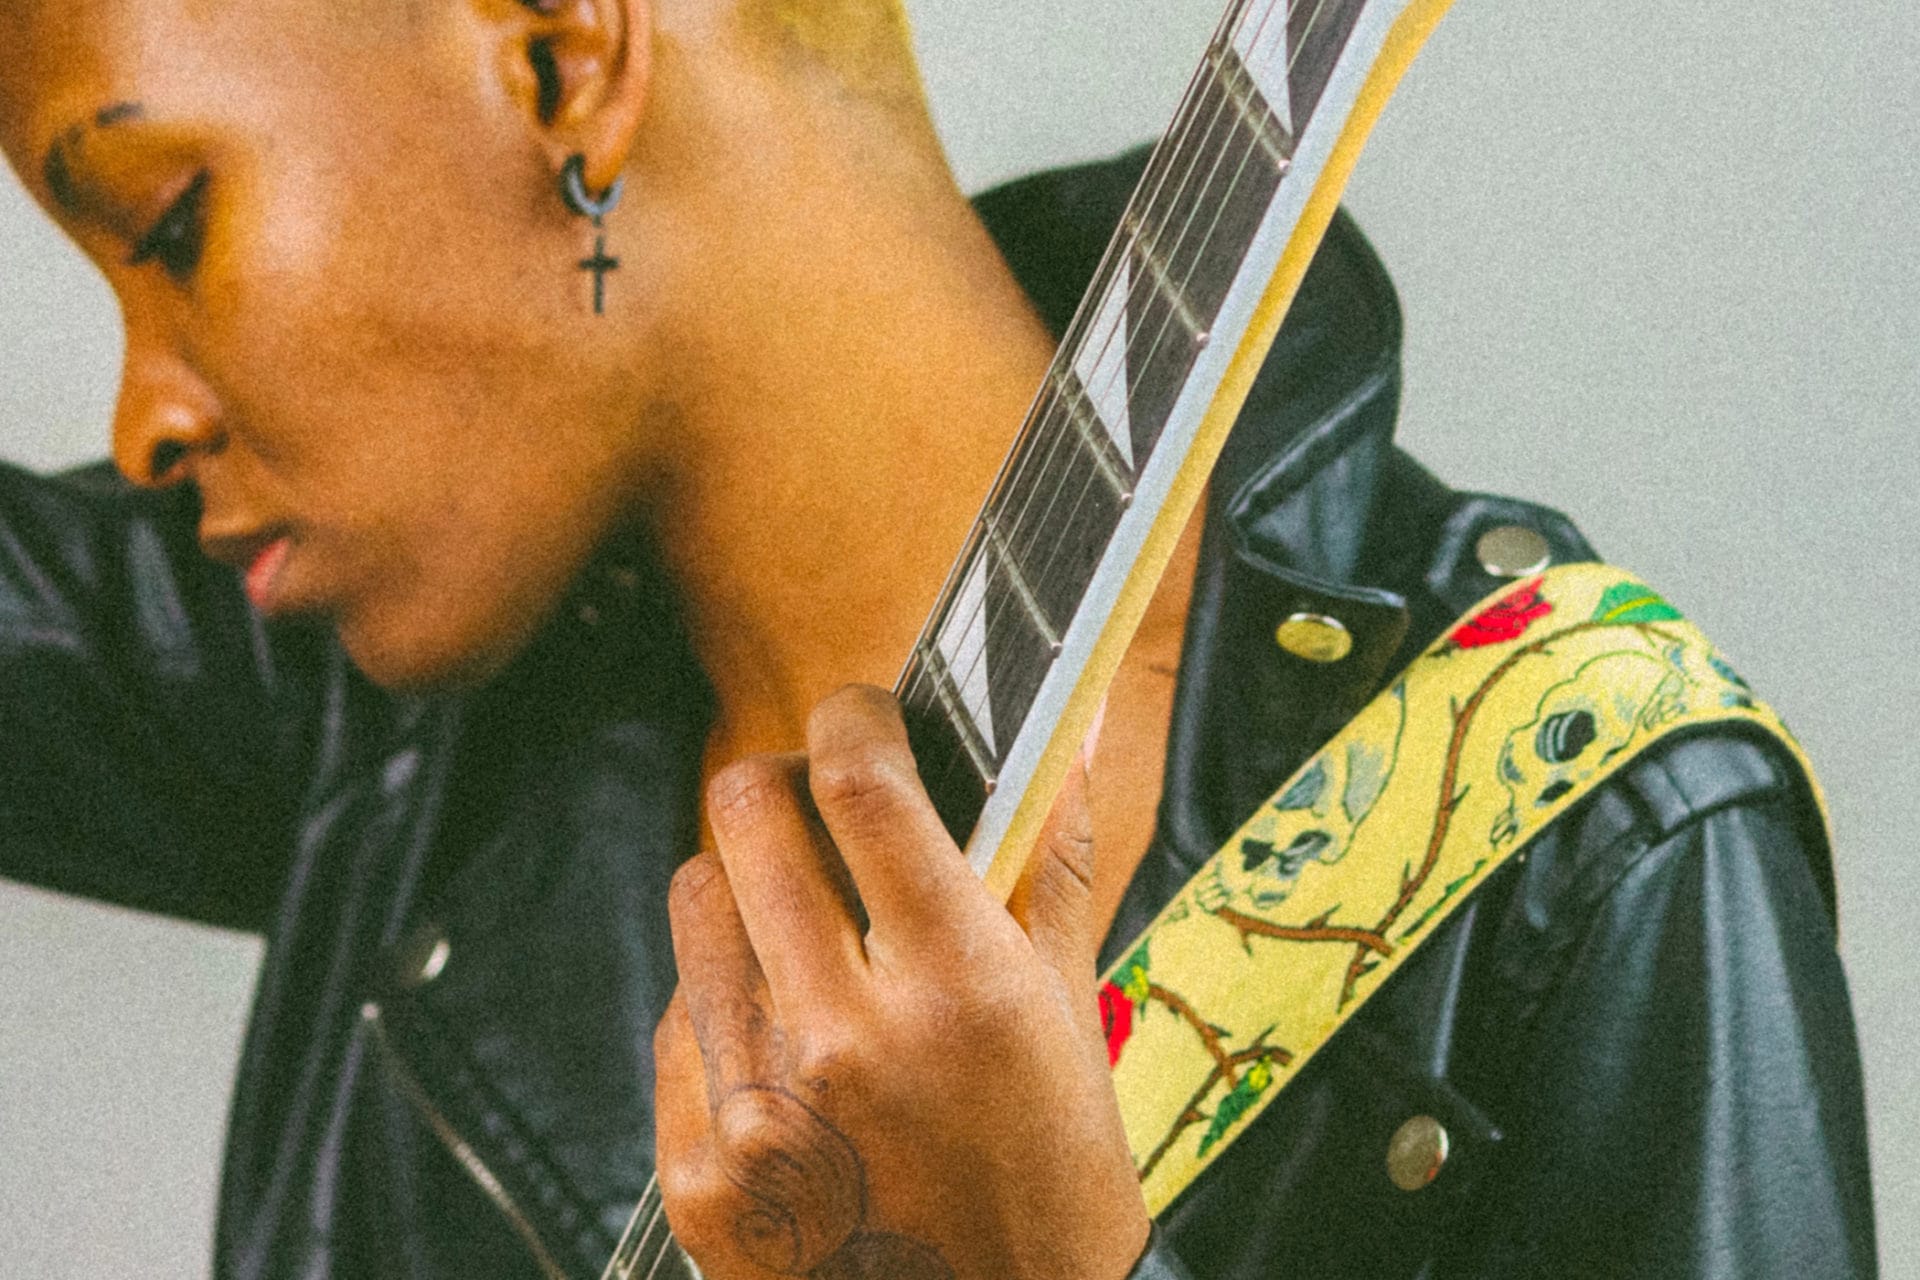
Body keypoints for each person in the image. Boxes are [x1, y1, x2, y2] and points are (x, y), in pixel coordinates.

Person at [0, 1, 1876, 1278]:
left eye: (166, 226)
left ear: (567, 55)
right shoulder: (381, 701)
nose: (146, 410)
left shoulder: (1584, 818)